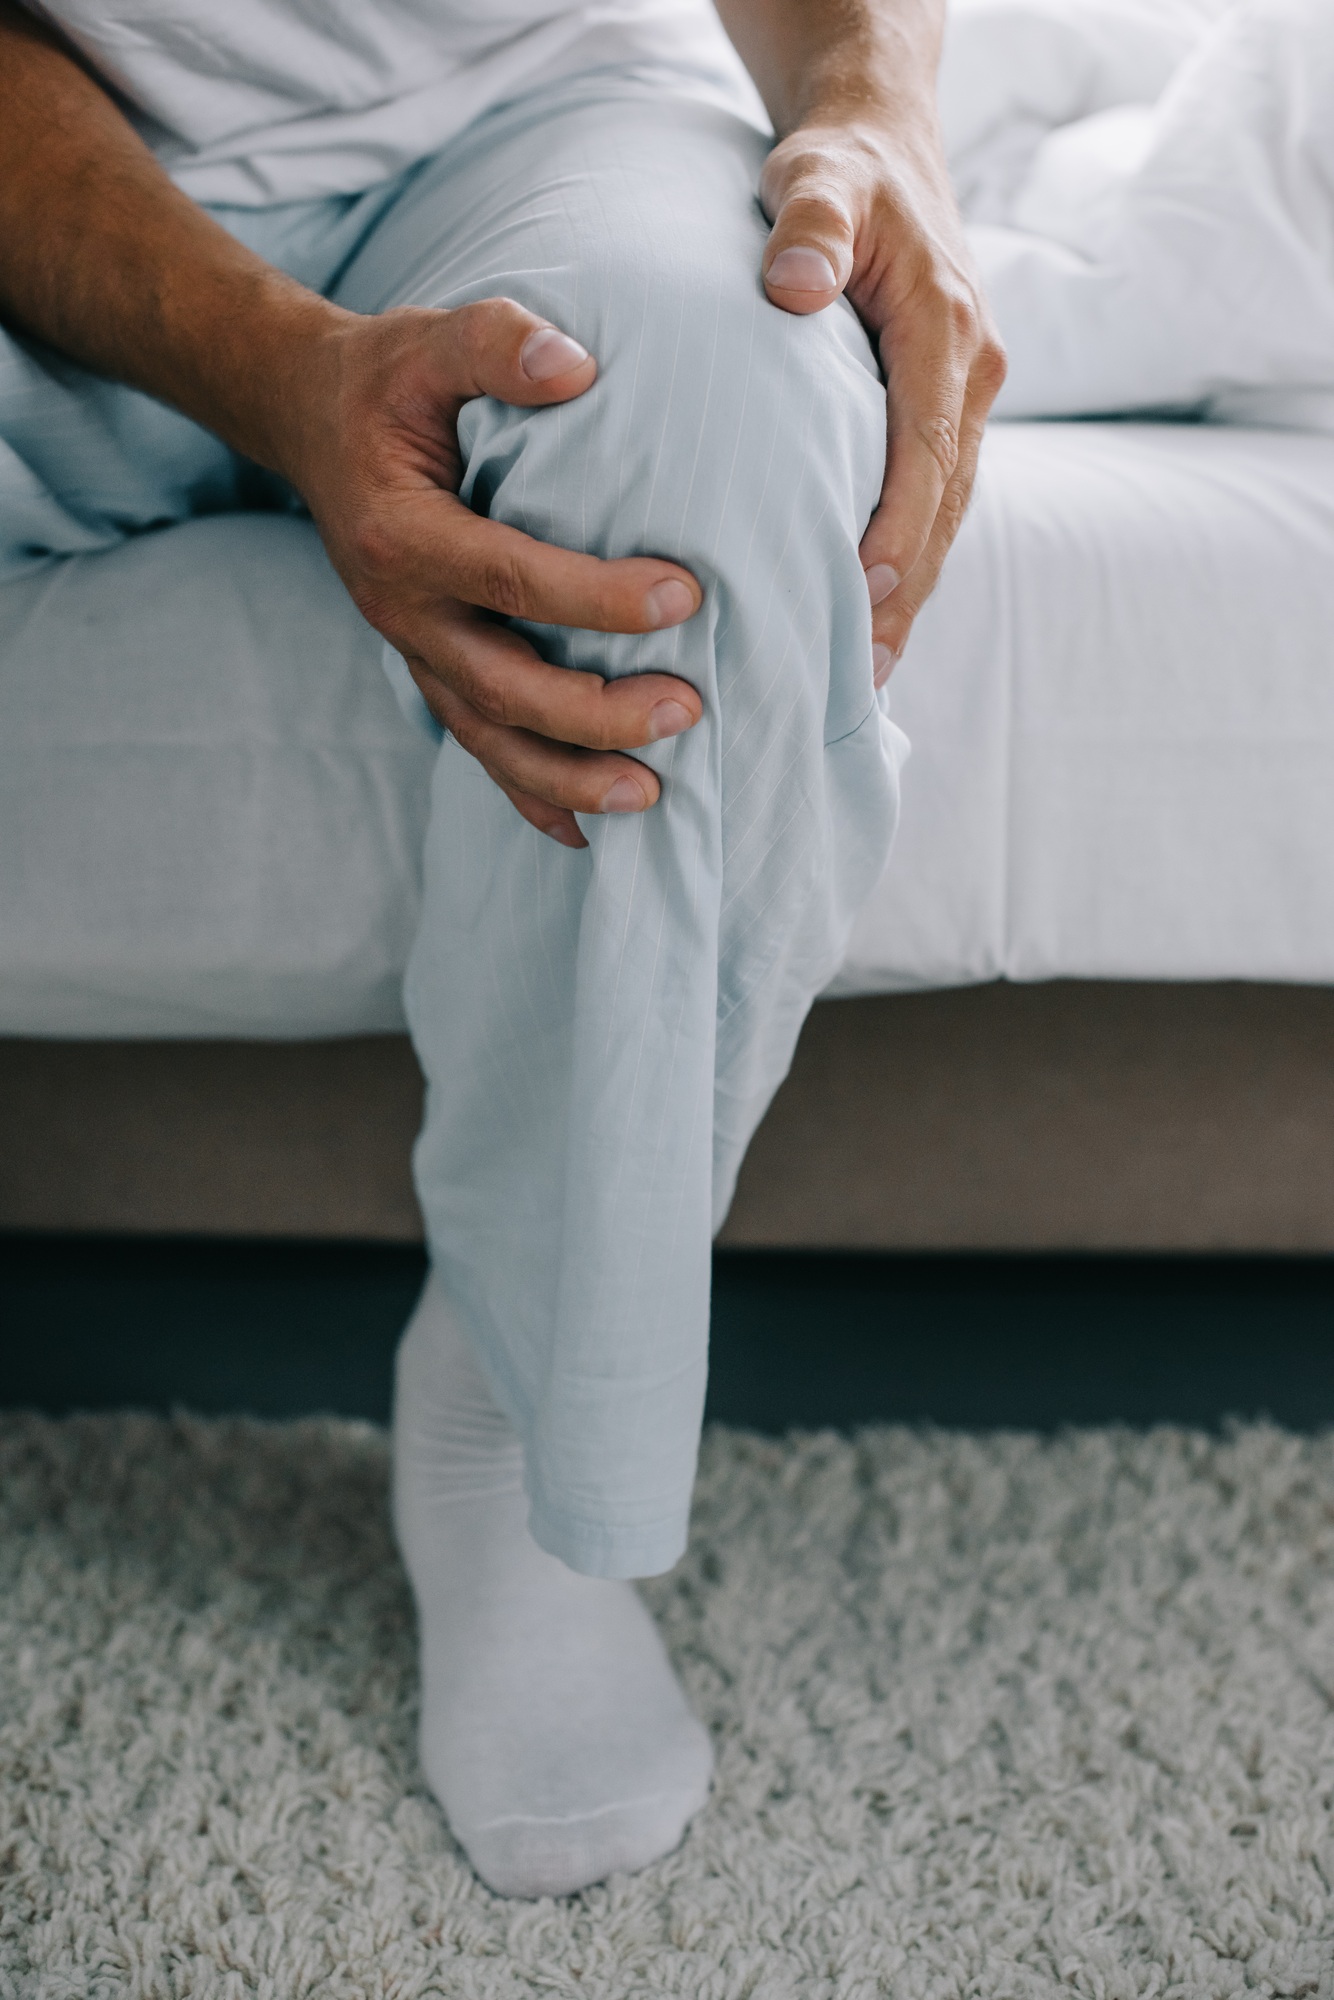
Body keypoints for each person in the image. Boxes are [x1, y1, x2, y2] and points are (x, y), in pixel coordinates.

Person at [0, 0, 1003, 1898]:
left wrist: (881, 114)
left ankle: (513, 1435)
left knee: (722, 388)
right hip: (50, 156)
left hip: (524, 111)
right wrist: (277, 374)